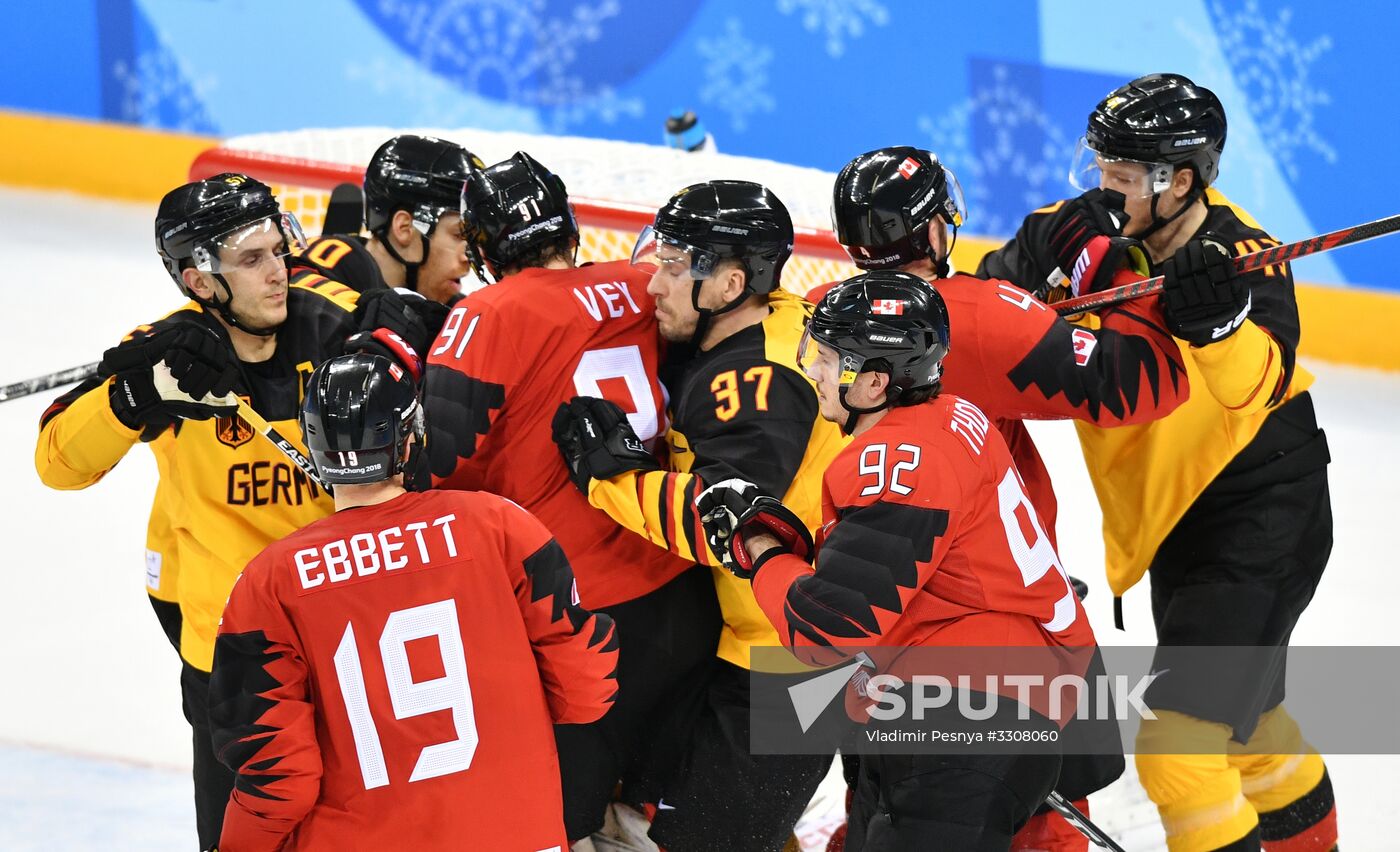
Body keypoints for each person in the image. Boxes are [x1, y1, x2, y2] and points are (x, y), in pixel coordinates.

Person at [978, 73, 1336, 852]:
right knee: (1248, 723)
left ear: (1180, 181)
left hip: (1261, 504)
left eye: (1124, 174)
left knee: (1179, 748)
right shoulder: (1068, 232)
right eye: (1100, 165)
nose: (1102, 185)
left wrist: (1219, 326)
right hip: (1172, 517)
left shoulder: (1240, 257)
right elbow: (975, 316)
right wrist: (1041, 277)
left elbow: (1259, 385)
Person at [821, 145, 1197, 843]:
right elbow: (1144, 384)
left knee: (883, 806)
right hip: (1003, 621)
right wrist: (1109, 265)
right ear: (936, 230)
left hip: (877, 615)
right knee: (1032, 820)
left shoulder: (828, 322)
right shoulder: (982, 316)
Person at [33, 173, 419, 850]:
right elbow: (57, 464)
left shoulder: (334, 328)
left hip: (348, 641)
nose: (278, 273)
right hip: (233, 659)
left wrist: (396, 326)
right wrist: (133, 398)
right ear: (201, 280)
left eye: (278, 251)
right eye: (252, 260)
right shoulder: (166, 355)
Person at [697, 270, 1100, 850]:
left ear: (873, 383)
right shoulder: (952, 417)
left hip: (967, 720)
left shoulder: (899, 457)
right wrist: (792, 545)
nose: (811, 370)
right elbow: (899, 563)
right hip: (995, 697)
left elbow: (827, 630)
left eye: (828, 359)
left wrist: (756, 551)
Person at [420, 150, 717, 845]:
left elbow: (435, 462)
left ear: (488, 246)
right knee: (647, 823)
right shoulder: (640, 286)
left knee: (555, 827)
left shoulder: (487, 312)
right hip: (684, 594)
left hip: (579, 617)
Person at [209, 352, 617, 851]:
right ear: (409, 437)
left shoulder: (268, 581)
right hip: (517, 835)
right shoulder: (499, 526)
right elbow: (586, 690)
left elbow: (278, 777)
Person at [552, 180, 847, 851]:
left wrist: (612, 476)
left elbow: (730, 520)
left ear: (729, 282)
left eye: (675, 266)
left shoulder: (757, 380)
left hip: (794, 668)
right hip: (747, 642)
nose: (654, 283)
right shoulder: (766, 329)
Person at [289, 134, 483, 306]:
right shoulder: (326, 268)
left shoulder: (454, 310)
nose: (471, 257)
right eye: (459, 235)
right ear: (404, 227)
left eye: (475, 240)